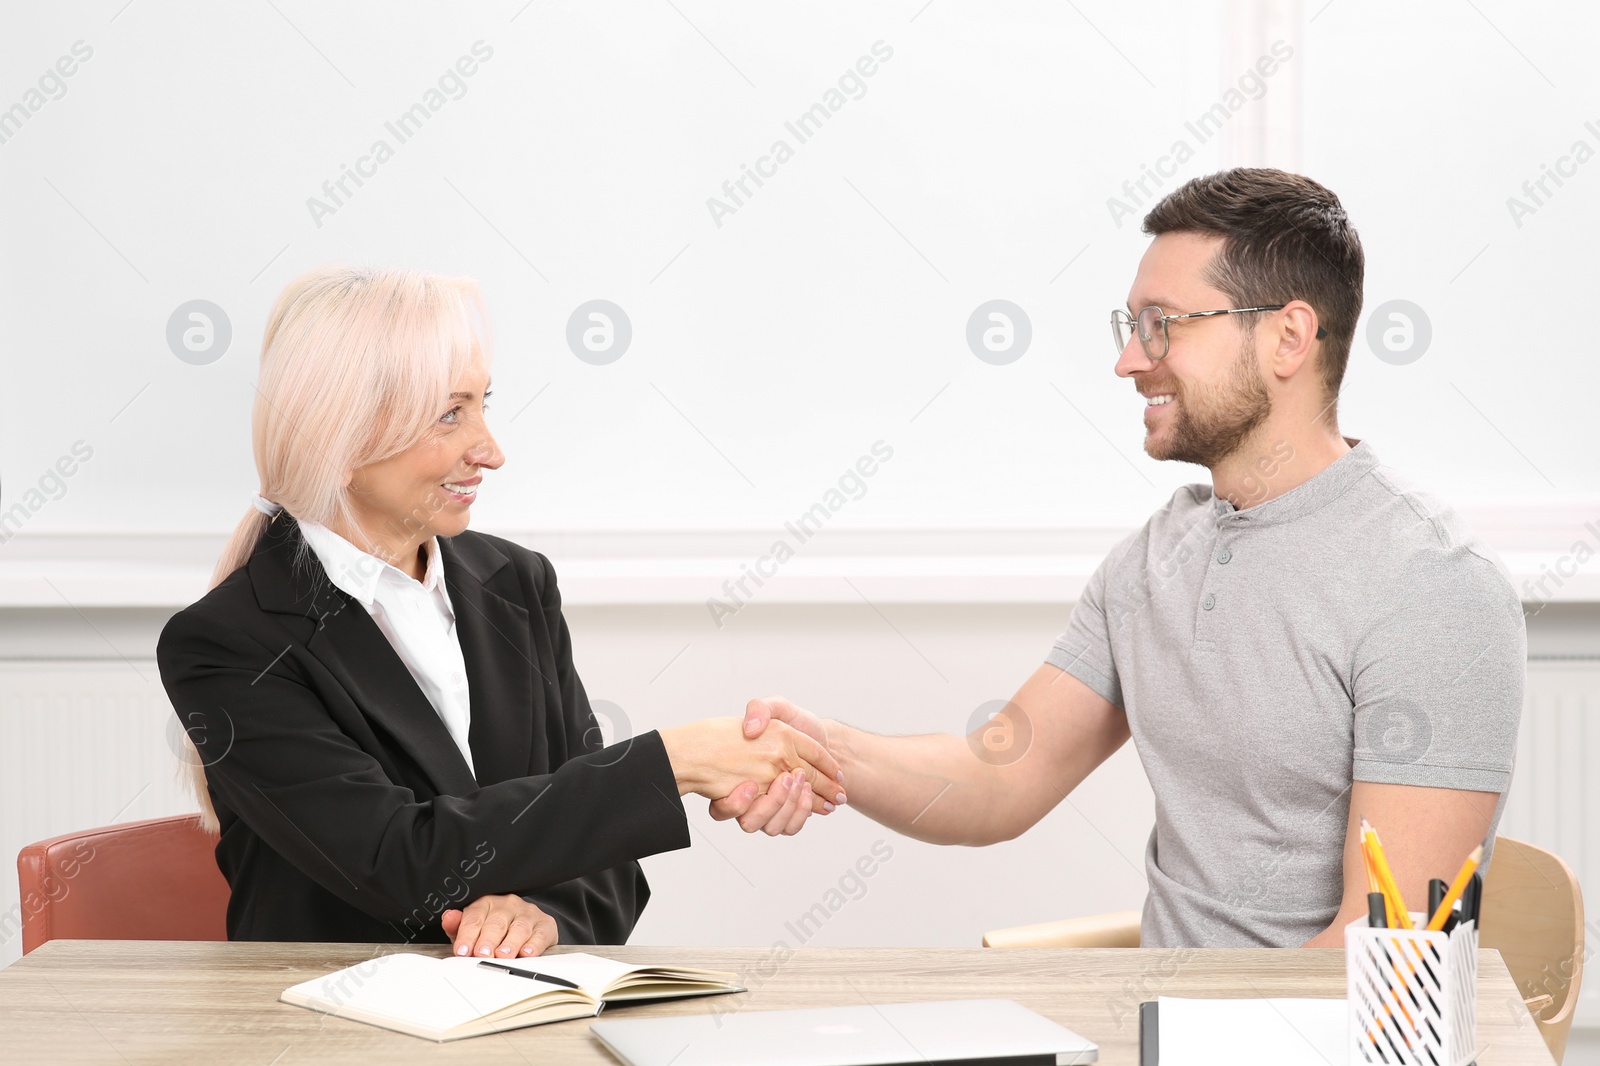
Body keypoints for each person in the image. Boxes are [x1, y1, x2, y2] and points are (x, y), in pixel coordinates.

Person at [715, 168, 1525, 948]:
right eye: (1130, 326)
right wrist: (827, 750)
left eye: (1162, 325)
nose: (1129, 360)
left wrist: (1180, 1030)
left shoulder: (1430, 585)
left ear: (1287, 337)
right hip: (1164, 1029)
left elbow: (1386, 948)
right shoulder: (1158, 557)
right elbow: (999, 776)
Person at [156, 266, 846, 961]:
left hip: (517, 1021)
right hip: (339, 1034)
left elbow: (603, 857)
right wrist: (677, 763)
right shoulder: (227, 644)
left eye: (484, 404)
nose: (491, 450)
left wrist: (547, 916)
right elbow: (400, 860)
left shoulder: (515, 583)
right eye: (451, 413)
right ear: (339, 439)